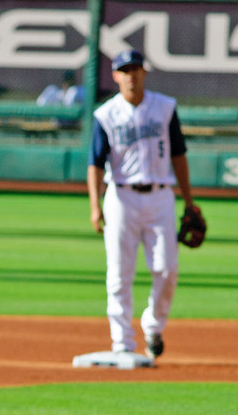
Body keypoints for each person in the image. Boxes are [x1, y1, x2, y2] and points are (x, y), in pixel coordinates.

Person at [86, 48, 201, 359]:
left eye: (135, 68)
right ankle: (122, 343)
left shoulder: (164, 108)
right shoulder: (105, 114)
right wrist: (95, 206)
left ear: (144, 73)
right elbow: (95, 163)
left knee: (167, 269)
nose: (130, 75)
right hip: (121, 196)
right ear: (115, 76)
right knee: (119, 274)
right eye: (124, 70)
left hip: (162, 195)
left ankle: (153, 325)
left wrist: (189, 201)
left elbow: (179, 154)